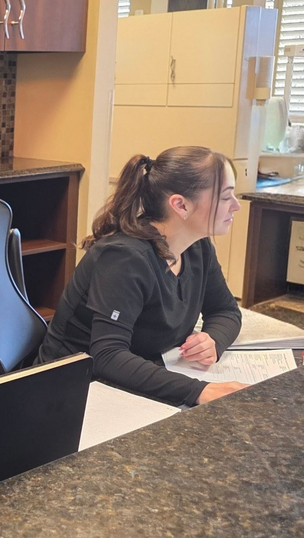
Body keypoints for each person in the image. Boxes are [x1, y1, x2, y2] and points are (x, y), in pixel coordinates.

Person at [36, 146, 245, 406]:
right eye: (225, 197)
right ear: (181, 205)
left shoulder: (198, 247)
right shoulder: (125, 258)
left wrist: (213, 339)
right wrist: (198, 391)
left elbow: (226, 311)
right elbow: (108, 355)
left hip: (134, 381)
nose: (235, 206)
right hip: (71, 391)